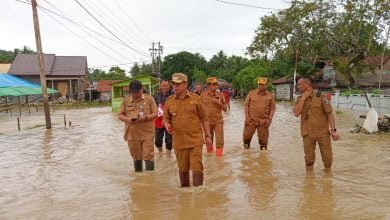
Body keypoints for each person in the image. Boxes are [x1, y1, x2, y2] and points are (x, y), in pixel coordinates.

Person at [163, 73, 212, 187]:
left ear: (186, 84)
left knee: (197, 168)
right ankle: (185, 196)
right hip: (179, 141)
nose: (175, 86)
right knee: (183, 169)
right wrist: (167, 125)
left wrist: (208, 135)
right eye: (173, 84)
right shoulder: (169, 101)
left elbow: (204, 117)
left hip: (195, 140)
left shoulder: (196, 99)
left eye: (178, 84)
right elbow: (165, 118)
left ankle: (198, 194)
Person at [293, 77, 341, 172]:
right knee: (309, 160)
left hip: (323, 133)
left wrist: (333, 130)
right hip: (307, 133)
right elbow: (296, 113)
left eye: (300, 84)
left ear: (307, 84)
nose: (298, 87)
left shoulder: (321, 97)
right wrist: (303, 98)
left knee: (328, 159)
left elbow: (329, 114)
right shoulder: (299, 99)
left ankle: (327, 178)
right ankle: (309, 179)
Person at [118, 80, 158, 172]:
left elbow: (155, 113)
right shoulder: (126, 101)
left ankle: (150, 179)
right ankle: (138, 178)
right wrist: (129, 120)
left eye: (137, 92)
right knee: (136, 158)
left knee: (148, 156)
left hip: (147, 134)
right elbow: (120, 115)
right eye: (133, 92)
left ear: (141, 89)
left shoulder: (149, 99)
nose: (135, 94)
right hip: (132, 135)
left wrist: (144, 118)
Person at [243, 77, 276, 150]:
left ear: (266, 85)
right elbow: (246, 105)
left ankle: (263, 157)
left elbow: (272, 109)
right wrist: (247, 117)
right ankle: (246, 154)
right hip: (251, 120)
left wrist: (269, 119)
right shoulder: (251, 93)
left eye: (263, 84)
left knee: (263, 141)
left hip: (263, 121)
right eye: (259, 84)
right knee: (246, 138)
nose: (261, 86)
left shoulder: (270, 95)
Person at [200, 77, 227, 156]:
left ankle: (219, 159)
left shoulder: (220, 95)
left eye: (216, 84)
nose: (216, 86)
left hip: (218, 122)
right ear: (208, 85)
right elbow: (199, 109)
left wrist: (219, 104)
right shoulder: (203, 95)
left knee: (219, 141)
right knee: (209, 141)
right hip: (207, 122)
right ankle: (210, 158)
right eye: (214, 84)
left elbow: (225, 109)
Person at [154, 79, 173, 153]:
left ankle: (169, 156)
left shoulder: (173, 95)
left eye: (166, 85)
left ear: (169, 86)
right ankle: (160, 154)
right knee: (158, 141)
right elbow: (152, 108)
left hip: (169, 121)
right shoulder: (156, 96)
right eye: (163, 85)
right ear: (160, 86)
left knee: (169, 141)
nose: (165, 87)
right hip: (158, 121)